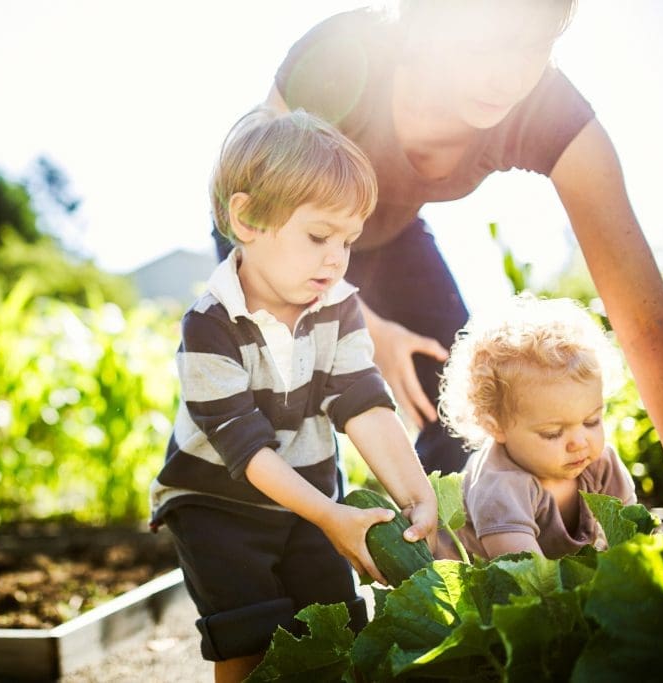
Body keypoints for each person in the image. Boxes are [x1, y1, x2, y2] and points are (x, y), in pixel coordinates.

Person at [213, 0, 663, 477]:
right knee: (282, 402)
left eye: (534, 47)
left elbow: (648, 324)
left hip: (390, 239)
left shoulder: (551, 111)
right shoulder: (344, 57)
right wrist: (362, 325)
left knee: (463, 403)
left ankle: (449, 539)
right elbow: (256, 209)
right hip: (269, 236)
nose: (508, 77)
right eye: (481, 43)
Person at [150, 106, 438, 683]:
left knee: (332, 629)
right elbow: (246, 448)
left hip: (309, 495)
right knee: (247, 640)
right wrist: (330, 516)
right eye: (318, 236)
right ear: (249, 218)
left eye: (349, 241)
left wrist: (415, 493)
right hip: (217, 505)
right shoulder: (208, 326)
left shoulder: (339, 308)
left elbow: (363, 402)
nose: (336, 258)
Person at [437, 295, 636, 560]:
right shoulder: (499, 485)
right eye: (552, 433)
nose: (579, 441)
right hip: (494, 582)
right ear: (495, 427)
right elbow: (525, 579)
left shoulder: (601, 464)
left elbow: (636, 539)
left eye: (592, 422)